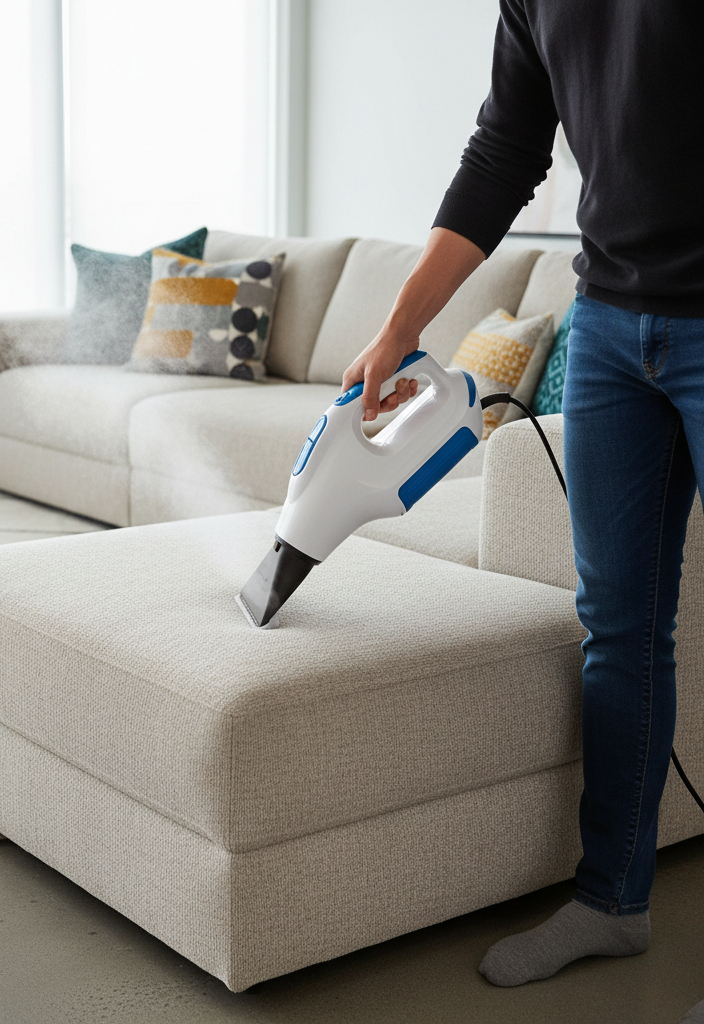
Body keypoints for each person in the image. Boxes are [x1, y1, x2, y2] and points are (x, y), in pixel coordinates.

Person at [341, 2, 704, 1015]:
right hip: (609, 329)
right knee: (619, 629)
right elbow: (505, 146)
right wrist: (398, 327)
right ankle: (612, 901)